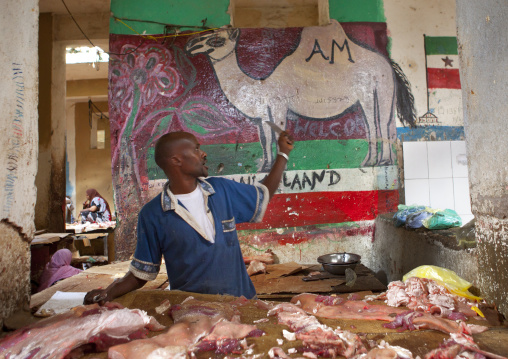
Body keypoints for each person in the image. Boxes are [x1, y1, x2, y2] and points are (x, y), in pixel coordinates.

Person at [84, 130, 294, 304]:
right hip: (193, 313)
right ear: (176, 160)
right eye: (195, 149)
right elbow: (142, 272)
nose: (203, 154)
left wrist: (283, 154)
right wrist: (109, 292)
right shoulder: (153, 215)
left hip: (243, 304)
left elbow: (263, 193)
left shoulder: (221, 191)